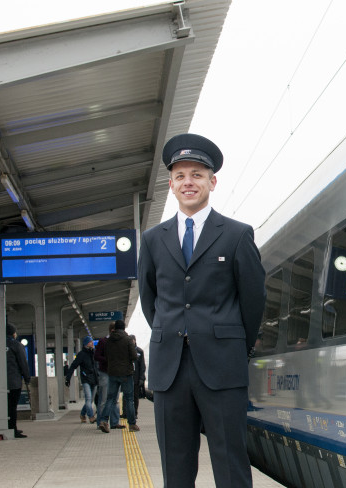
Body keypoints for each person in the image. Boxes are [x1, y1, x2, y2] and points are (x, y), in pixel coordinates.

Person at [139, 133, 266, 487]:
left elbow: (253, 300)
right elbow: (151, 300)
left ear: (212, 181)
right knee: (175, 468)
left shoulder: (237, 235)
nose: (188, 182)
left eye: (196, 174)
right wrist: (171, 333)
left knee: (231, 463)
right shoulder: (152, 240)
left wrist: (236, 345)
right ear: (171, 185)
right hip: (169, 369)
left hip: (222, 366)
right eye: (180, 176)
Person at [97, 320, 138, 433]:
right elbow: (134, 356)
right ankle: (132, 424)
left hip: (112, 373)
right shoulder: (128, 339)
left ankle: (104, 421)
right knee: (129, 399)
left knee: (110, 398)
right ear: (124, 328)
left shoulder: (109, 341)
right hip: (126, 373)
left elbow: (106, 356)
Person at [64, 336, 98, 424]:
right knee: (88, 399)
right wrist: (68, 378)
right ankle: (91, 417)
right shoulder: (81, 354)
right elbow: (73, 366)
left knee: (90, 400)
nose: (92, 343)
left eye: (92, 342)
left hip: (94, 380)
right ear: (86, 343)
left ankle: (82, 414)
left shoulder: (94, 353)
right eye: (90, 342)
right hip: (86, 379)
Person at [5, 322, 30, 439]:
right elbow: (23, 363)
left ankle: (3, 426)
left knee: (3, 406)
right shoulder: (17, 345)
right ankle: (12, 429)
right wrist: (27, 378)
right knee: (12, 406)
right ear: (13, 333)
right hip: (14, 382)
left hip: (0, 383)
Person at [93, 322, 120, 427]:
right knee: (104, 399)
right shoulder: (103, 341)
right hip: (105, 372)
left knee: (115, 399)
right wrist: (108, 360)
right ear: (112, 330)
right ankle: (101, 422)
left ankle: (115, 422)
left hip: (116, 373)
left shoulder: (118, 342)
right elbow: (96, 356)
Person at [130, 334, 146, 418]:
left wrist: (141, 378)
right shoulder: (126, 351)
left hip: (136, 378)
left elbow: (142, 366)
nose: (132, 342)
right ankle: (126, 412)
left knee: (135, 396)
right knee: (127, 396)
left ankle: (135, 413)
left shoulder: (139, 351)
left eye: (133, 340)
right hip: (128, 377)